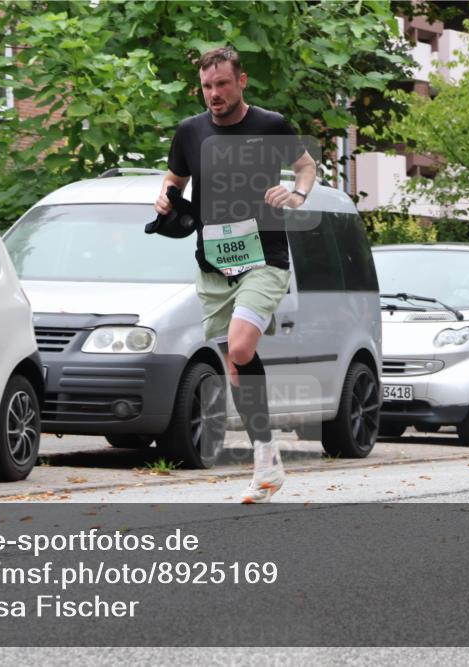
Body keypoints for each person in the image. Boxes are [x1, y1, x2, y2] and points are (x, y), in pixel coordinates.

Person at [154, 46, 318, 503]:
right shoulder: (190, 132)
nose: (214, 94)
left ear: (241, 81)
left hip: (264, 256)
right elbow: (173, 180)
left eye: (222, 84)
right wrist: (164, 197)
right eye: (207, 86)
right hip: (213, 263)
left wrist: (297, 195)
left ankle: (264, 457)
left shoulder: (270, 126)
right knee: (235, 364)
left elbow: (306, 166)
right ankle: (267, 460)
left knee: (242, 348)